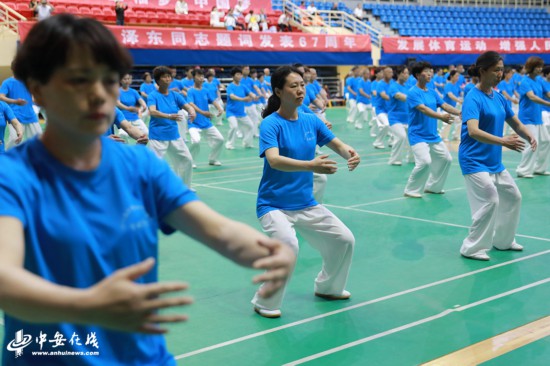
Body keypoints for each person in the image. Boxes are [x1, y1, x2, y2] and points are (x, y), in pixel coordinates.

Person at [0, 15, 294, 366]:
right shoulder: (12, 176)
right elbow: (5, 278)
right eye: (78, 81)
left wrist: (270, 252)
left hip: (144, 357)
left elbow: (216, 230)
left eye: (109, 80)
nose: (99, 95)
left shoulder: (140, 166)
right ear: (37, 88)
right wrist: (87, 305)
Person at [251, 66, 360, 318]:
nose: (300, 90)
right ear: (278, 91)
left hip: (305, 203)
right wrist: (311, 165)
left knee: (344, 239)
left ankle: (328, 287)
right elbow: (275, 160)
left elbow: (336, 143)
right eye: (293, 86)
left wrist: (349, 154)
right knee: (288, 245)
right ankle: (264, 301)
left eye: (302, 84)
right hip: (273, 205)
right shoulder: (271, 124)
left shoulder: (311, 119)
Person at [459, 51, 536, 261]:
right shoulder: (472, 98)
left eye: (502, 69)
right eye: (496, 70)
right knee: (490, 200)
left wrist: (528, 135)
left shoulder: (499, 96)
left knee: (513, 196)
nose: (500, 74)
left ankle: (503, 240)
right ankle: (471, 247)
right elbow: (473, 131)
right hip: (473, 160)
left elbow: (515, 122)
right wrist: (504, 142)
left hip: (493, 161)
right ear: (483, 71)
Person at [404, 62, 461, 198]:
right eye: (426, 71)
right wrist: (441, 116)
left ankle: (433, 187)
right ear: (418, 75)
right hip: (418, 135)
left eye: (431, 71)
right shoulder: (412, 92)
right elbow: (423, 109)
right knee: (424, 162)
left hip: (432, 135)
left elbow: (444, 104)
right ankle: (411, 190)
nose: (430, 73)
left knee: (446, 159)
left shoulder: (431, 91)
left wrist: (459, 112)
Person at [147, 65, 196, 188]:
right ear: (158, 81)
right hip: (158, 136)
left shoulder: (175, 95)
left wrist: (192, 111)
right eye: (164, 77)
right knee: (155, 165)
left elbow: (187, 105)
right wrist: (169, 116)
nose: (168, 79)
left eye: (169, 76)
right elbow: (152, 111)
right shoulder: (153, 96)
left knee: (187, 159)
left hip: (174, 135)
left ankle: (184, 187)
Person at [515, 56, 550, 178]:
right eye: (537, 67)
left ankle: (539, 168)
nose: (540, 69)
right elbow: (532, 97)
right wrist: (547, 103)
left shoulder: (539, 80)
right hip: (527, 118)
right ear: (531, 67)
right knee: (531, 144)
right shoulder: (525, 81)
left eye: (541, 66)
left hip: (537, 117)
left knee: (546, 141)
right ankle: (523, 170)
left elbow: (547, 93)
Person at [186, 69, 224, 167]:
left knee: (220, 139)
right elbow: (191, 104)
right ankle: (190, 161)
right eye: (199, 76)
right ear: (194, 77)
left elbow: (213, 100)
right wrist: (203, 112)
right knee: (196, 141)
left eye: (202, 76)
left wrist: (219, 108)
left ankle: (213, 159)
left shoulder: (205, 90)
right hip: (193, 123)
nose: (201, 78)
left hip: (206, 123)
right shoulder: (191, 91)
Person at [0, 61, 41, 149]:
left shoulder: (28, 82)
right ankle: (10, 160)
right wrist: (15, 101)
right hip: (15, 117)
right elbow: (1, 96)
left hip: (31, 116)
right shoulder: (7, 83)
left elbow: (34, 96)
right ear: (12, 69)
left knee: (40, 142)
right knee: (14, 142)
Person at [225, 67, 255, 150]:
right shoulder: (230, 86)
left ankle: (247, 143)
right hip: (231, 112)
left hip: (241, 113)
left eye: (240, 74)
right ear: (233, 76)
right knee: (234, 126)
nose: (240, 76)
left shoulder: (243, 86)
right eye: (237, 74)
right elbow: (232, 96)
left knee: (251, 126)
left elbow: (250, 93)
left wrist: (254, 96)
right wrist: (243, 99)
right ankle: (229, 144)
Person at [388, 66, 412, 166]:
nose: (407, 75)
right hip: (395, 118)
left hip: (407, 118)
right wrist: (415, 100)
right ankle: (394, 160)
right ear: (399, 74)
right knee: (401, 136)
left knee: (412, 139)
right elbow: (399, 96)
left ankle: (411, 158)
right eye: (404, 73)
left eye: (407, 73)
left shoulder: (408, 86)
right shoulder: (393, 86)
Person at [117, 73, 148, 143]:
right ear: (120, 80)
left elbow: (141, 100)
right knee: (122, 134)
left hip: (134, 117)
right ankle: (126, 148)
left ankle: (137, 146)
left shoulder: (133, 91)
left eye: (128, 79)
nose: (127, 80)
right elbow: (118, 104)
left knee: (145, 132)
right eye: (125, 79)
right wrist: (128, 108)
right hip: (123, 118)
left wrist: (144, 106)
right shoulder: (118, 91)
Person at [373, 66, 394, 149]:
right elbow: (384, 96)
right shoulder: (380, 84)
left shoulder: (393, 83)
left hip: (390, 110)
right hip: (380, 110)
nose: (391, 74)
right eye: (389, 72)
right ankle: (377, 142)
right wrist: (397, 97)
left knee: (394, 126)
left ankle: (391, 141)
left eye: (392, 72)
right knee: (386, 125)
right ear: (384, 74)